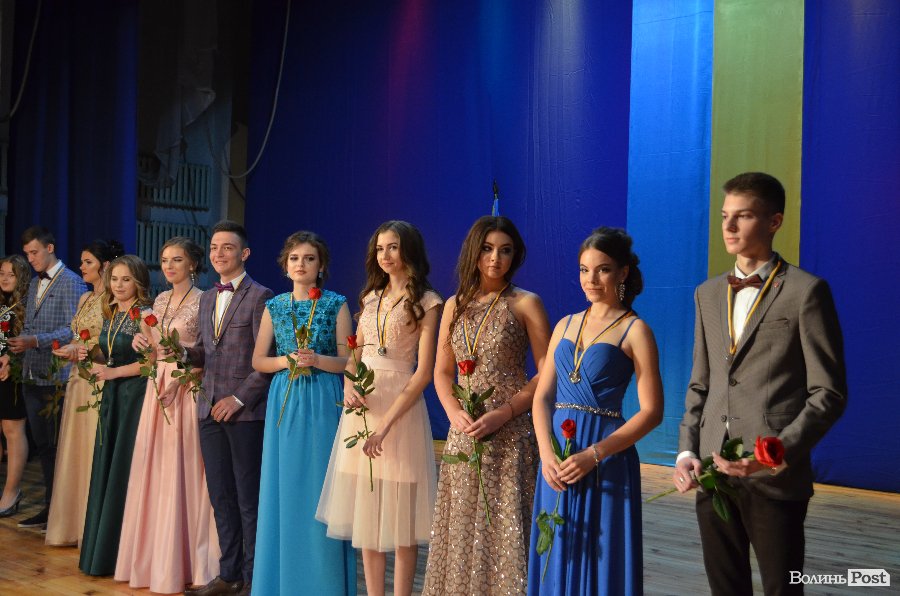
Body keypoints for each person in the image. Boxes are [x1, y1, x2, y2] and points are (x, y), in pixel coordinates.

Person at [673, 172, 847, 596]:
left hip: (774, 476)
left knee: (782, 587)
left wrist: (775, 454)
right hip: (712, 471)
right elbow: (701, 383)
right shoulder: (706, 293)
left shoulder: (806, 292)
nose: (729, 226)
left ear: (774, 221)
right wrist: (687, 451)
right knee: (725, 588)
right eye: (724, 216)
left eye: (744, 216)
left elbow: (828, 393)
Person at [528, 227, 663, 595]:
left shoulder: (636, 330)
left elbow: (652, 412)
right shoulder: (565, 324)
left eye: (602, 270)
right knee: (556, 547)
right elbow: (542, 397)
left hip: (605, 458)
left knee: (601, 557)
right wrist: (545, 453)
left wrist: (594, 454)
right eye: (584, 270)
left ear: (622, 273)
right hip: (557, 457)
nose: (590, 279)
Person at [423, 216, 551, 594]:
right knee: (463, 527)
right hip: (464, 431)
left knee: (506, 525)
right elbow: (441, 372)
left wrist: (505, 412)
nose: (496, 258)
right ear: (473, 252)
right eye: (488, 249)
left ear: (515, 256)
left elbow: (547, 373)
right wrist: (453, 412)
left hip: (511, 432)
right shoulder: (454, 305)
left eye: (505, 250)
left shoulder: (526, 303)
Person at [317, 221, 441, 596]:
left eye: (393, 247)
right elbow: (354, 355)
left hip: (400, 411)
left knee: (402, 521)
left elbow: (423, 373)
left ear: (409, 250)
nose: (385, 255)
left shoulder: (428, 301)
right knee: (367, 517)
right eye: (380, 248)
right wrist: (349, 386)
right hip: (362, 407)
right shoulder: (371, 297)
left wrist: (386, 425)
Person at [251, 231, 356, 596]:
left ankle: (323, 583)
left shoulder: (336, 304)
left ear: (321, 266)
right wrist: (286, 360)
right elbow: (259, 360)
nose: (301, 264)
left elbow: (349, 361)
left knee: (319, 485)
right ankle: (281, 582)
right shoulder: (274, 306)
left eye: (309, 258)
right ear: (285, 265)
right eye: (295, 258)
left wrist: (317, 360)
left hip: (323, 396)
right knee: (284, 486)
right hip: (285, 396)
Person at [115, 237, 220, 593]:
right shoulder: (159, 301)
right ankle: (154, 560)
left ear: (193, 264)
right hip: (157, 386)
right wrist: (141, 343)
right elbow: (152, 349)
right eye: (164, 260)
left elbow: (209, 355)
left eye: (177, 259)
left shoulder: (205, 299)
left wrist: (183, 378)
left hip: (186, 387)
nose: (169, 266)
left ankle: (187, 561)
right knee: (156, 469)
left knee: (184, 469)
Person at [184, 220, 273, 596]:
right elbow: (205, 351)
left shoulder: (261, 296)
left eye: (227, 247)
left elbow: (267, 359)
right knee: (220, 496)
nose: (218, 254)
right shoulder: (207, 297)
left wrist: (238, 398)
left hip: (244, 413)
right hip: (208, 409)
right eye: (214, 247)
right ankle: (229, 573)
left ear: (244, 253)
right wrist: (178, 353)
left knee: (247, 498)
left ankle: (252, 580)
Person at [7, 226, 87, 529]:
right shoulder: (34, 283)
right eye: (27, 254)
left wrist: (35, 341)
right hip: (32, 373)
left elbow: (74, 329)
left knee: (55, 447)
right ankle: (50, 508)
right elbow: (29, 324)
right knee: (42, 446)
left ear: (50, 248)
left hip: (55, 376)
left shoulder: (71, 282)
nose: (30, 259)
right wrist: (17, 349)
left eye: (34, 252)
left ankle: (58, 511)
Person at [78, 255, 153, 575]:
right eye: (114, 279)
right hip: (113, 395)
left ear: (138, 282)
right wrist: (87, 354)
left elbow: (151, 363)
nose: (119, 285)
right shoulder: (112, 312)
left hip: (133, 396)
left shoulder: (145, 314)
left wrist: (114, 373)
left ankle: (120, 552)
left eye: (126, 279)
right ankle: (101, 550)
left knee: (123, 465)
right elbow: (108, 353)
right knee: (106, 462)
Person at [45, 239, 122, 545]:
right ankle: (71, 525)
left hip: (99, 380)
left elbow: (113, 345)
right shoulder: (85, 298)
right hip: (78, 379)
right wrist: (70, 349)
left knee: (92, 448)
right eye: (82, 261)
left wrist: (87, 351)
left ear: (105, 265)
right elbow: (78, 337)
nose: (81, 267)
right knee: (75, 452)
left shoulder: (113, 301)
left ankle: (92, 528)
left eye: (88, 262)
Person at [0, 255, 32, 517]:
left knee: (12, 430)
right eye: (1, 273)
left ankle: (11, 492)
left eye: (11, 274)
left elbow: (30, 340)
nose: (5, 278)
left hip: (14, 375)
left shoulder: (28, 304)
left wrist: (11, 360)